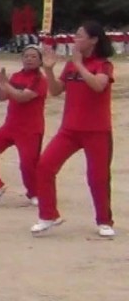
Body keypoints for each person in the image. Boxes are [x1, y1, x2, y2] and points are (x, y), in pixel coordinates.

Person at [32, 22, 116, 237]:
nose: (75, 39)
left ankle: (104, 221)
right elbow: (55, 90)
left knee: (97, 177)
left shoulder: (103, 64)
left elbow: (98, 86)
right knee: (45, 166)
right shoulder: (70, 66)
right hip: (70, 129)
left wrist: (79, 65)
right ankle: (48, 215)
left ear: (93, 40)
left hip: (97, 130)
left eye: (79, 36)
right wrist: (48, 70)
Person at [0, 47, 47, 207]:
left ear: (40, 61)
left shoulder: (39, 79)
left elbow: (22, 97)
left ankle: (34, 193)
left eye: (33, 57)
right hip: (10, 126)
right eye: (26, 56)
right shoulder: (16, 76)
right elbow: (3, 97)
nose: (29, 59)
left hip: (30, 129)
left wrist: (5, 84)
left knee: (27, 164)